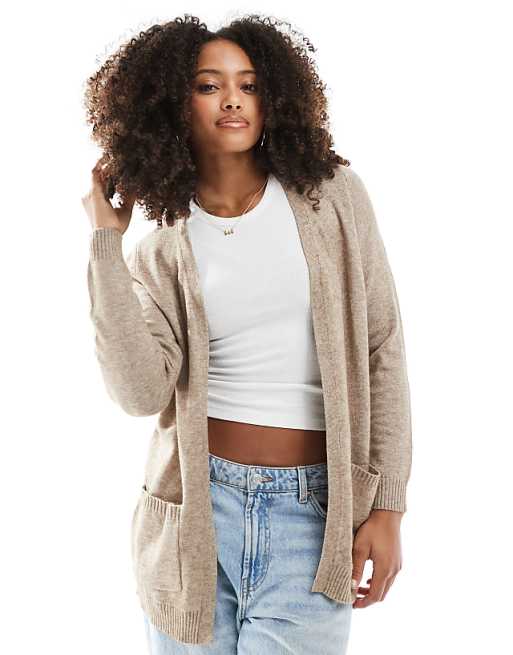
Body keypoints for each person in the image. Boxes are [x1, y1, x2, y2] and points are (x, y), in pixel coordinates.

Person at [82, 14, 412, 655]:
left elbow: (383, 346)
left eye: (249, 84)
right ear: (170, 104)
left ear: (273, 97)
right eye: (209, 85)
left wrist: (388, 504)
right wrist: (105, 244)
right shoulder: (162, 248)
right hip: (192, 517)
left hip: (312, 515)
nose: (232, 99)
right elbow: (138, 392)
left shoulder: (332, 199)